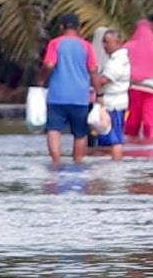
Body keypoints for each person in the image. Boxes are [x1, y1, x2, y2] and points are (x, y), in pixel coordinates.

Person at [38, 13, 100, 164]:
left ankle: (56, 163)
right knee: (80, 133)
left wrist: (41, 80)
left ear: (61, 27)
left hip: (57, 96)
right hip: (80, 97)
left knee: (54, 130)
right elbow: (93, 70)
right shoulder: (86, 46)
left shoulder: (55, 43)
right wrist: (99, 93)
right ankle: (78, 163)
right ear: (78, 28)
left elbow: (49, 65)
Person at [123, 13, 153, 141]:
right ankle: (151, 148)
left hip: (140, 90)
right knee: (146, 125)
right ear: (151, 26)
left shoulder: (129, 47)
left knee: (134, 125)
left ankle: (135, 148)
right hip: (147, 91)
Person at [93, 26, 130, 161]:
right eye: (103, 42)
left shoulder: (117, 61)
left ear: (117, 42)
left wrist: (92, 76)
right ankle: (112, 162)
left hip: (114, 103)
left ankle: (116, 163)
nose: (104, 45)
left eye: (107, 42)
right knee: (110, 135)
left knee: (114, 137)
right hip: (116, 102)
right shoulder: (118, 59)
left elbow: (104, 80)